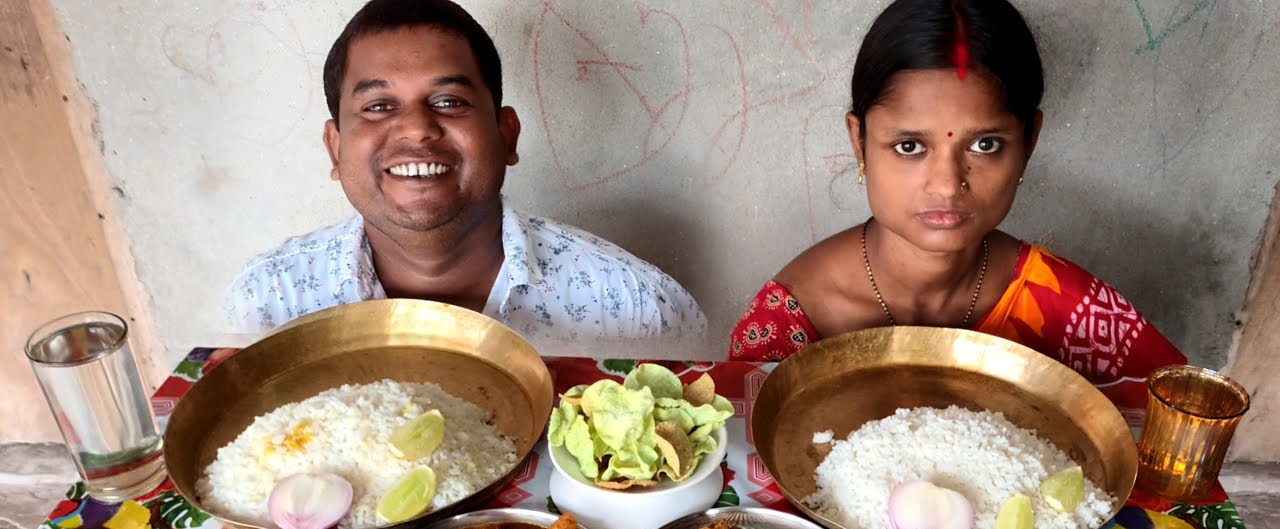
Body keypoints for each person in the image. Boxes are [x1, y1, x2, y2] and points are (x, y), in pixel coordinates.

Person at [727, 0, 1184, 411]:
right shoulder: (789, 324)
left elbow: (1176, 426)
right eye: (909, 146)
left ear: (1029, 142)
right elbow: (750, 486)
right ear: (859, 142)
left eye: (985, 144)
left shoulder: (1071, 313)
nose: (947, 186)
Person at [225, 0, 705, 358]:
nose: (416, 128)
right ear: (335, 148)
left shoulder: (637, 308)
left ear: (506, 134)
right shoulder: (270, 303)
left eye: (449, 101)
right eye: (378, 107)